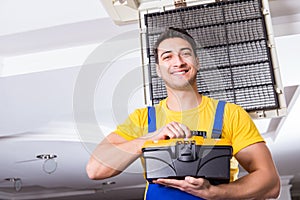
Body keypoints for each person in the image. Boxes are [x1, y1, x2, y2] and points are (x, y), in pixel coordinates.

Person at [86, 27, 280, 199]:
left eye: (185, 54)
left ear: (197, 61)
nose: (178, 62)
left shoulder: (230, 114)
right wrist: (149, 139)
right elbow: (95, 170)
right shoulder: (143, 119)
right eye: (167, 56)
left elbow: (270, 183)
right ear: (158, 70)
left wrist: (216, 193)